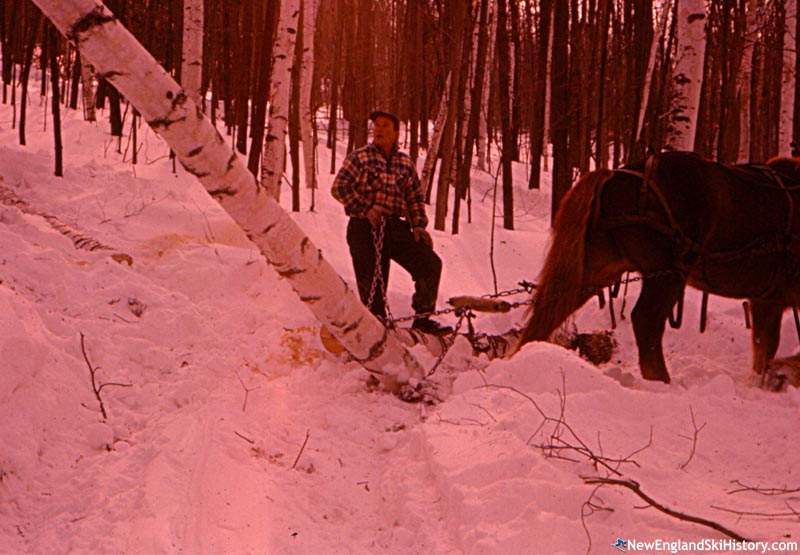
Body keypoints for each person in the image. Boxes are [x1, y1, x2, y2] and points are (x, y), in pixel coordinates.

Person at [332, 110, 452, 335]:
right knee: (374, 287)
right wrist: (366, 208)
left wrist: (418, 226)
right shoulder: (360, 157)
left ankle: (423, 320)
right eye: (376, 125)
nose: (378, 129)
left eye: (385, 125)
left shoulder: (404, 163)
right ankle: (375, 329)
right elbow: (339, 188)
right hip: (364, 228)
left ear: (396, 133)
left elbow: (414, 197)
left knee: (430, 263)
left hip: (394, 227)